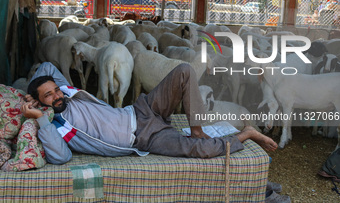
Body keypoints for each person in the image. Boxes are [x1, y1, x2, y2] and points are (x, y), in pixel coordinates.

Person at [21, 62, 278, 165]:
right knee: (203, 151)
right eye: (49, 96)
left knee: (185, 70)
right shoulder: (57, 127)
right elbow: (62, 157)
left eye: (55, 90)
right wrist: (39, 117)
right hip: (144, 138)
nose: (57, 96)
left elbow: (46, 66)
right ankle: (247, 134)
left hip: (142, 109)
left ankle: (197, 130)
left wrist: (32, 91)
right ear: (44, 105)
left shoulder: (65, 92)